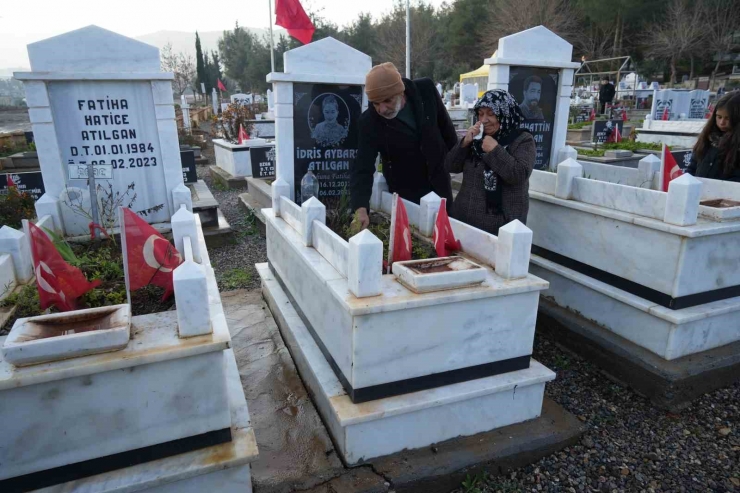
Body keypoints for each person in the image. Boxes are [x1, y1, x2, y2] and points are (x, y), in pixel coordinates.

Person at [350, 62, 457, 229]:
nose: (382, 109)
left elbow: (446, 129)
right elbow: (362, 167)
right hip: (406, 193)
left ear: (400, 91)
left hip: (439, 183)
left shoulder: (425, 90)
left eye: (387, 101)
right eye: (376, 103)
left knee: (446, 235)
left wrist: (458, 161)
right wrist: (360, 208)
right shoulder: (369, 122)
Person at [445, 89, 536, 235]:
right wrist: (464, 143)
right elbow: (450, 166)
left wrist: (495, 150)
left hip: (500, 226)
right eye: (481, 114)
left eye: (491, 114)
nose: (484, 119)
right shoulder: (477, 138)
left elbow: (518, 174)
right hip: (463, 218)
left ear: (505, 113)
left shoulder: (522, 140)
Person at [686, 92, 740, 182]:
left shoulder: (737, 146)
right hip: (696, 191)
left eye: (727, 118)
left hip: (725, 194)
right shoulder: (706, 138)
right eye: (719, 117)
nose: (722, 122)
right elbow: (692, 167)